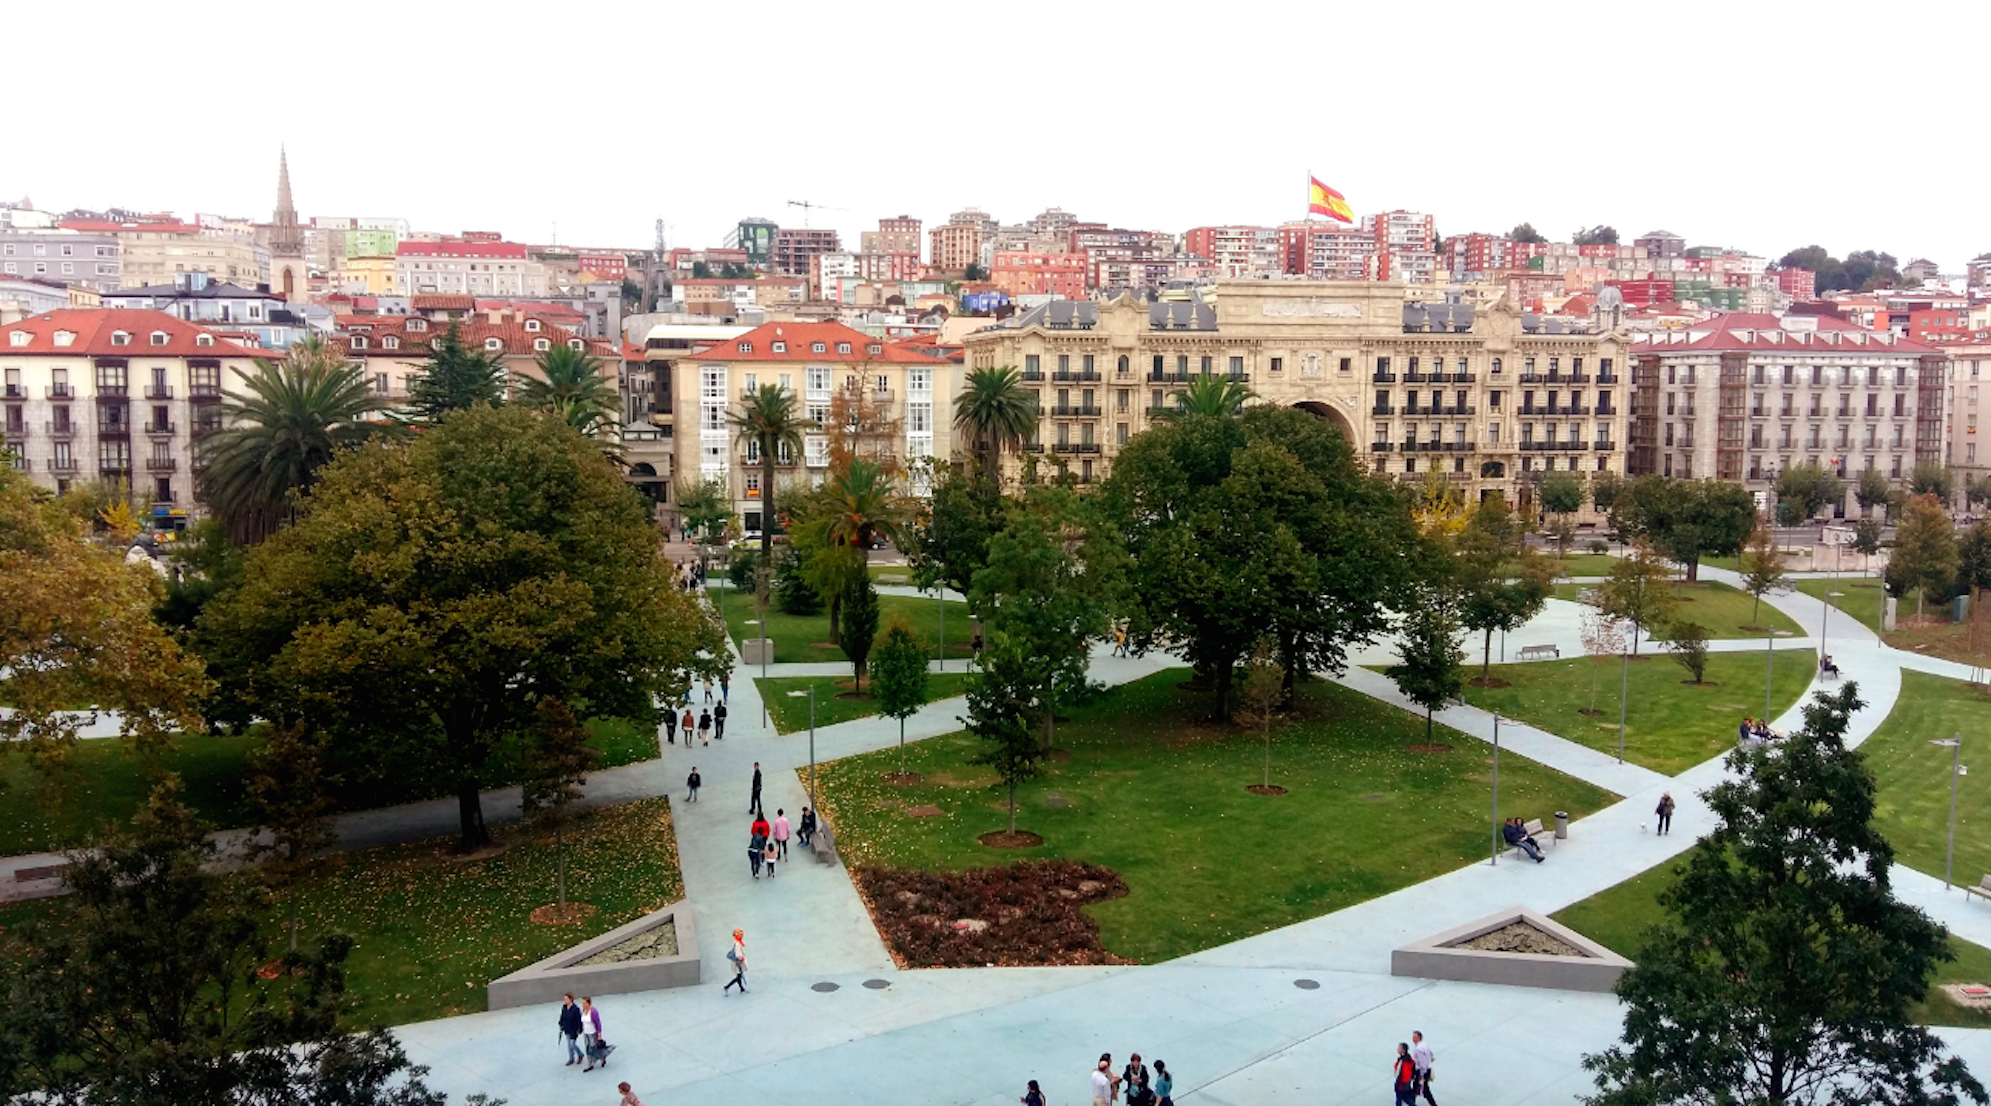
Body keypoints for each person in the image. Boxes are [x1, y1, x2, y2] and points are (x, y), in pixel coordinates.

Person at [580, 996, 608, 1071]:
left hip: (593, 1033)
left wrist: (599, 1034)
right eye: (582, 1003)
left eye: (584, 1003)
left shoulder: (593, 1012)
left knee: (594, 1048)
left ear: (589, 1003)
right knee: (588, 1048)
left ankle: (601, 1057)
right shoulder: (583, 1011)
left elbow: (598, 1023)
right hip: (586, 1033)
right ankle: (590, 1063)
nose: (583, 1005)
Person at [558, 992, 584, 1066]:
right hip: (567, 1028)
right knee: (569, 1045)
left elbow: (579, 1020)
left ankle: (580, 1054)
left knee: (572, 1044)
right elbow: (562, 1016)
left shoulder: (575, 1009)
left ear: (571, 999)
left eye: (566, 999)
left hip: (573, 1029)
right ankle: (571, 1058)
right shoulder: (564, 1007)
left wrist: (579, 1029)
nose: (564, 1000)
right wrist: (561, 1023)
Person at [1411, 1030, 1436, 1106]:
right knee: (1417, 1087)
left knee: (1423, 1089)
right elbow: (1431, 1054)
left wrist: (1421, 1074)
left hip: (1422, 1071)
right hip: (1427, 1069)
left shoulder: (1418, 1049)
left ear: (1418, 1038)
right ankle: (1411, 1102)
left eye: (1414, 1037)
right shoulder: (1425, 1045)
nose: (1412, 1038)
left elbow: (1422, 1063)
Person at [723, 928, 747, 994]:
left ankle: (741, 989)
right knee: (738, 976)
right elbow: (738, 954)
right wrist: (741, 958)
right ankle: (727, 987)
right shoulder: (737, 944)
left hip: (736, 962)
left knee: (739, 976)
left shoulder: (736, 942)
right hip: (738, 962)